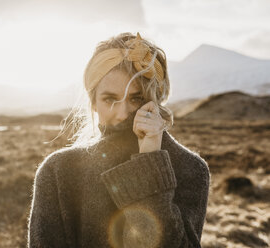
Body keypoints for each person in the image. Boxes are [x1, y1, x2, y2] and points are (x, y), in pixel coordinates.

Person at [27, 32, 211, 248]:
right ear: (94, 102)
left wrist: (150, 162)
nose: (123, 113)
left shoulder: (189, 168)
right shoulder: (59, 171)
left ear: (156, 98)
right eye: (110, 99)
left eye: (136, 98)